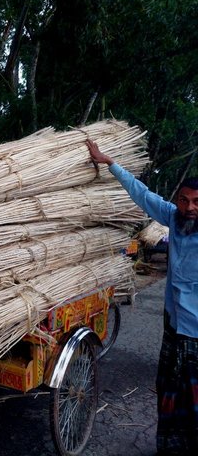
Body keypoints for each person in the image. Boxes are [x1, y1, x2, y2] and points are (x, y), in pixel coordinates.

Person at [86, 139, 198, 455]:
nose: (189, 208)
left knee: (194, 399)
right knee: (170, 391)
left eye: (196, 203)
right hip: (174, 325)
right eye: (184, 200)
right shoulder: (175, 219)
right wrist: (109, 162)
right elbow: (142, 194)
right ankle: (170, 448)